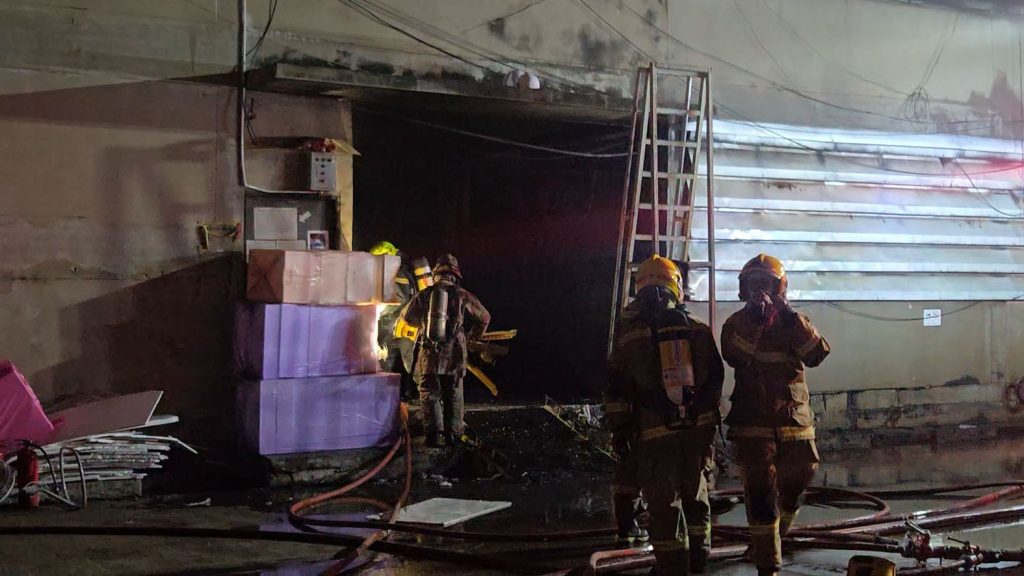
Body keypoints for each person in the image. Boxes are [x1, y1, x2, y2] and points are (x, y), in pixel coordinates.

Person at [605, 255, 724, 575]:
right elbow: (715, 378)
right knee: (696, 496)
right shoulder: (697, 328)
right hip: (696, 433)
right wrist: (703, 421)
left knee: (663, 503)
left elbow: (617, 387)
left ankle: (672, 567)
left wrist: (620, 429)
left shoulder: (629, 335)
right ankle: (699, 559)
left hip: (654, 432)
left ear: (639, 287)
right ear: (676, 286)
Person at [721, 254, 831, 576]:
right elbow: (735, 356)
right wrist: (756, 322)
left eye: (765, 283)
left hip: (794, 421)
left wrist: (790, 318)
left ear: (779, 287)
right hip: (753, 422)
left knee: (799, 479)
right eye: (753, 283)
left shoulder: (795, 321)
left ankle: (775, 538)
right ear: (744, 288)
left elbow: (816, 355)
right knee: (761, 492)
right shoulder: (736, 323)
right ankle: (768, 564)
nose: (759, 290)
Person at [399, 254, 490, 447]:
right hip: (454, 356)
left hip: (428, 355)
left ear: (436, 273)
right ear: (455, 275)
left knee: (429, 394)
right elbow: (484, 318)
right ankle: (453, 436)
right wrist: (471, 337)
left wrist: (423, 324)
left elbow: (406, 317)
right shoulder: (462, 295)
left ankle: (434, 436)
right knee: (453, 394)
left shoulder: (425, 294)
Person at [369, 241, 419, 400]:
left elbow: (401, 298)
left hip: (398, 325)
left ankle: (389, 397)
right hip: (403, 326)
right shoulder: (401, 270)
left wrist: (381, 310)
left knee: (392, 361)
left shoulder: (398, 273)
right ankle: (406, 394)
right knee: (406, 362)